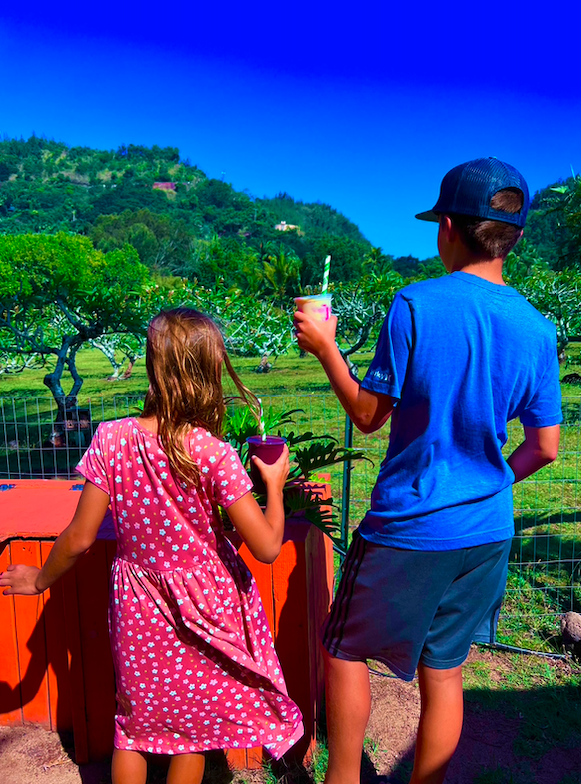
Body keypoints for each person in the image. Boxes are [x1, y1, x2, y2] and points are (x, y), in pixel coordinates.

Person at [294, 158, 562, 784]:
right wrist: (489, 484)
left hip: (407, 527)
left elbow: (367, 416)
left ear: (447, 227)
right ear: (513, 237)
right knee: (445, 669)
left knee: (344, 650)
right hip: (488, 531)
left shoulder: (414, 304)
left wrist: (326, 347)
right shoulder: (538, 328)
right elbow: (545, 447)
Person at [1, 308, 303, 784]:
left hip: (137, 603)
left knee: (133, 727)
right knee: (194, 729)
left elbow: (80, 536)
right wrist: (275, 484)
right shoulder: (211, 451)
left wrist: (39, 580)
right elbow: (266, 547)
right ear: (209, 369)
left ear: (151, 365)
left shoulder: (110, 438)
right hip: (204, 603)